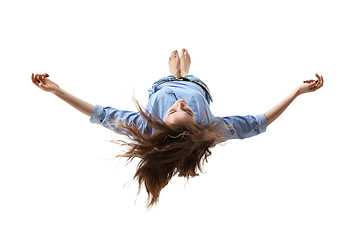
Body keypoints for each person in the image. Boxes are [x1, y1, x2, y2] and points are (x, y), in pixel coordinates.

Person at [31, 48, 324, 209]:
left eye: (174, 110)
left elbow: (99, 114)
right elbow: (258, 122)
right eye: (188, 111)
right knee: (185, 65)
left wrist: (57, 91)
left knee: (175, 65)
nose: (182, 104)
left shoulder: (145, 126)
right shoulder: (212, 128)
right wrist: (296, 92)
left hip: (161, 84)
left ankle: (176, 74)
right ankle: (184, 73)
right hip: (198, 84)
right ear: (198, 123)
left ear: (161, 121)